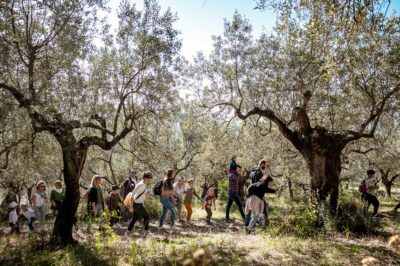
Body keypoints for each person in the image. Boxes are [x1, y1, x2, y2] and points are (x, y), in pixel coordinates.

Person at [127, 171, 154, 238]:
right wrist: (131, 206)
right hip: (137, 204)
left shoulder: (144, 184)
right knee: (147, 216)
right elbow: (132, 194)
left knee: (135, 217)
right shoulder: (141, 184)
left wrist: (148, 198)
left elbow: (141, 194)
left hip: (138, 203)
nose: (150, 179)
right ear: (146, 178)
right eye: (150, 178)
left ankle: (128, 232)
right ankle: (146, 232)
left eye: (151, 178)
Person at [246, 159, 269, 225]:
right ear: (262, 164)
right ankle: (263, 223)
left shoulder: (252, 171)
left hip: (250, 192)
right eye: (264, 165)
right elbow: (258, 185)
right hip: (256, 193)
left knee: (250, 208)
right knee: (263, 207)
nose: (265, 166)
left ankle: (247, 223)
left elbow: (251, 182)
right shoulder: (259, 172)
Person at [226, 155, 246, 222]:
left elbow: (241, 179)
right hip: (233, 192)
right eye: (237, 169)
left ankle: (227, 218)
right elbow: (240, 179)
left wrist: (239, 173)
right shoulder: (232, 175)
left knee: (229, 205)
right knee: (239, 205)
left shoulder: (232, 174)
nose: (238, 170)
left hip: (233, 192)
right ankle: (244, 218)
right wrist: (239, 173)